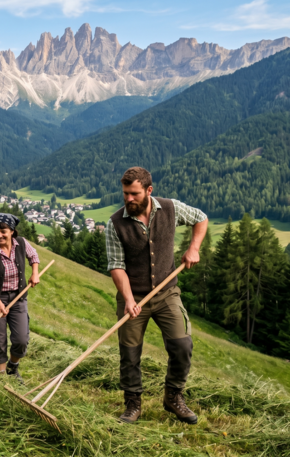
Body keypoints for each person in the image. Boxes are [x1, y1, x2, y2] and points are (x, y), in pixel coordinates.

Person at [105, 167, 208, 425]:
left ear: (149, 191)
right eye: (125, 193)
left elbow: (201, 218)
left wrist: (193, 248)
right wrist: (128, 299)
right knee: (129, 354)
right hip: (133, 296)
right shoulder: (115, 223)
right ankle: (132, 404)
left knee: (182, 345)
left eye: (134, 194)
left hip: (166, 292)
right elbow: (116, 266)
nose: (129, 199)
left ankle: (173, 397)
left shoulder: (170, 209)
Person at [0, 213, 40, 380]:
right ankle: (1, 379)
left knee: (21, 339)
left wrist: (35, 274)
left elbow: (34, 256)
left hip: (18, 297)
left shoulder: (21, 243)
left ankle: (12, 368)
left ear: (12, 231)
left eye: (3, 231)